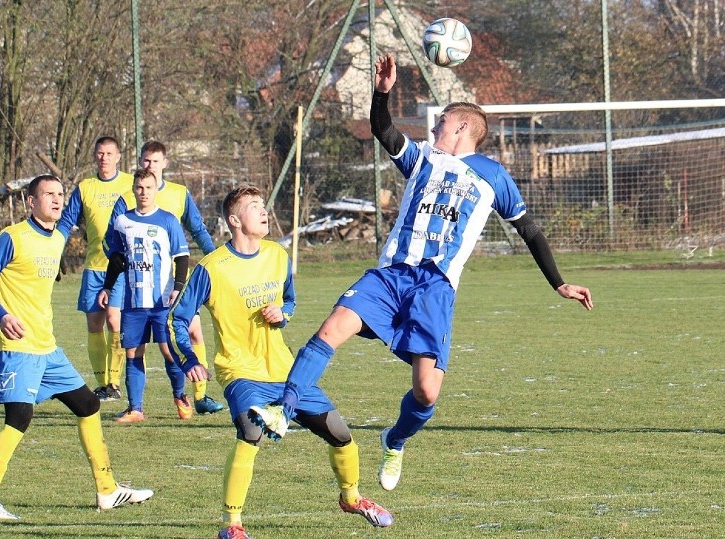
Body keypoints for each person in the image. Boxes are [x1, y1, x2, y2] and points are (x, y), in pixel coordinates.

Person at [250, 54, 594, 493]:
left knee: (427, 392)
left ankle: (394, 440)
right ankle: (285, 408)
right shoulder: (422, 160)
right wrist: (382, 92)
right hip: (391, 276)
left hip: (435, 288)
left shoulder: (494, 177)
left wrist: (558, 282)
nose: (433, 128)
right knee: (331, 328)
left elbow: (529, 229)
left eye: (442, 122)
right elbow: (383, 129)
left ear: (463, 127)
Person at [168, 184, 393, 539]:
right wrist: (190, 359)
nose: (263, 210)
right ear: (234, 220)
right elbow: (177, 319)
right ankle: (232, 523)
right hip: (241, 372)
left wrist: (283, 313)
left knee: (342, 436)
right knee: (251, 434)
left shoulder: (277, 255)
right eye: (254, 206)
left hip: (286, 372)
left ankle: (351, 499)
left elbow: (290, 300)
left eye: (263, 204)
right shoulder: (211, 268)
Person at [0, 174, 152, 519]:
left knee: (88, 405)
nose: (55, 200)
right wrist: (1, 314)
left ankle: (107, 491)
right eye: (47, 194)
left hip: (47, 347)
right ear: (31, 202)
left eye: (59, 194)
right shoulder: (12, 237)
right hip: (16, 345)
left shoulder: (58, 239)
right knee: (19, 418)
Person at [137, 140, 224, 417]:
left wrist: (214, 259)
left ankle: (199, 395)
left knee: (192, 331)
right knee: (138, 342)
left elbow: (197, 230)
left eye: (155, 161)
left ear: (165, 163)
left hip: (175, 281)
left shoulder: (178, 193)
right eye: (146, 161)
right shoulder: (134, 193)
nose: (150, 166)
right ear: (141, 163)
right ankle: (126, 397)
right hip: (139, 284)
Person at [99, 168, 190, 424]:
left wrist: (177, 287)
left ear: (155, 188)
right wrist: (107, 287)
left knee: (168, 351)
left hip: (162, 302)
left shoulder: (168, 221)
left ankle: (180, 396)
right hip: (133, 302)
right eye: (139, 187)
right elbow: (116, 260)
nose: (144, 192)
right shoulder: (123, 221)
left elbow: (181, 257)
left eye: (148, 188)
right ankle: (135, 409)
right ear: (134, 189)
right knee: (132, 353)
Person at [58, 137, 134, 402]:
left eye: (109, 153)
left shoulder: (129, 184)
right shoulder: (85, 187)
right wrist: (53, 249)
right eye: (100, 153)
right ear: (95, 156)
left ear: (118, 157)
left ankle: (115, 381)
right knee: (94, 324)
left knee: (115, 320)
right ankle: (103, 383)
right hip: (94, 267)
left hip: (121, 266)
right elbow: (67, 220)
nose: (104, 158)